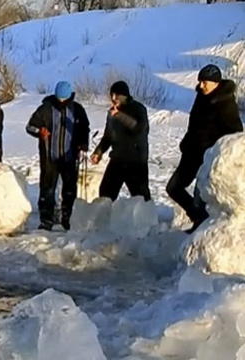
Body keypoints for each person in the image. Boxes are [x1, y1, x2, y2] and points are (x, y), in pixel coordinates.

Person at [166, 64, 243, 233]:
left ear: (216, 83)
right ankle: (197, 219)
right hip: (191, 153)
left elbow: (236, 134)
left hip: (208, 159)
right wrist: (186, 142)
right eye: (200, 81)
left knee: (199, 199)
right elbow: (194, 125)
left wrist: (217, 154)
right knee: (173, 188)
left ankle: (201, 230)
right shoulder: (201, 96)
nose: (201, 86)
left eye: (205, 82)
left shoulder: (226, 104)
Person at [26, 80, 90, 231]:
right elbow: (30, 126)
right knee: (47, 188)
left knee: (69, 189)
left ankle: (68, 219)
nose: (61, 102)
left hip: (70, 157)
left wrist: (83, 142)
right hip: (49, 157)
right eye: (59, 99)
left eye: (64, 99)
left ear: (69, 97)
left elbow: (84, 128)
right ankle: (46, 220)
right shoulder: (45, 108)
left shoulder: (77, 109)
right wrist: (39, 131)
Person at [90, 80, 151, 202]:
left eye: (117, 95)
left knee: (141, 198)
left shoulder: (138, 109)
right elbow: (108, 136)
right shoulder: (111, 112)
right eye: (111, 95)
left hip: (136, 161)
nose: (113, 98)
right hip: (117, 159)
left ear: (125, 96)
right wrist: (98, 152)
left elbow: (138, 128)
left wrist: (120, 115)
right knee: (105, 194)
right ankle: (107, 219)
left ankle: (147, 220)